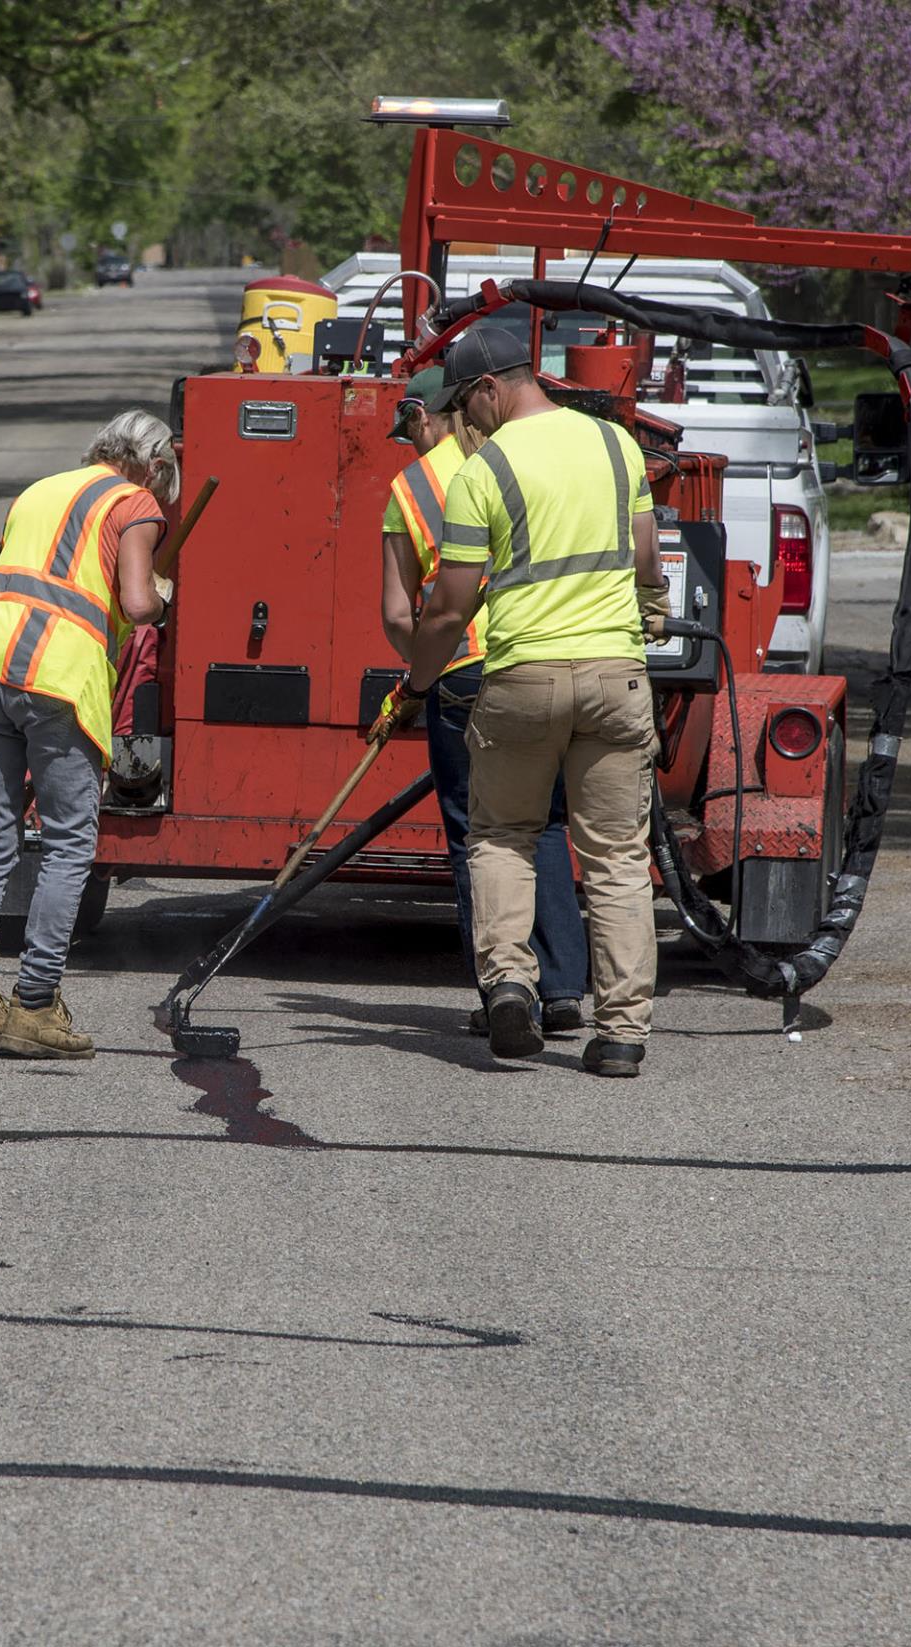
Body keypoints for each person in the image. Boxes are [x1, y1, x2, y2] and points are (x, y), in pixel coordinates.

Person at [386, 319, 667, 1078]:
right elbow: (645, 554)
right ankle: (621, 1034)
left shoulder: (483, 473)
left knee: (503, 835)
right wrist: (650, 602)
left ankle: (510, 981)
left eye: (463, 405)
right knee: (613, 856)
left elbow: (447, 609)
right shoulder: (618, 446)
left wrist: (417, 684)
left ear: (490, 388)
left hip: (522, 681)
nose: (460, 421)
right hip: (617, 677)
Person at [0, 410, 175, 1060]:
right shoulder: (134, 501)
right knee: (70, 844)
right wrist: (162, 595)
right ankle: (35, 1006)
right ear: (153, 465)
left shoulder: (39, 490)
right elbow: (134, 604)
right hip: (57, 679)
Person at [377, 364, 589, 1038]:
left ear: (425, 415)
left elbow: (396, 614)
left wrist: (416, 682)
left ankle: (505, 990)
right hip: (539, 655)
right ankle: (561, 990)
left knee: (480, 831)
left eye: (408, 429)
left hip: (462, 672)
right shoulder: (518, 456)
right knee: (547, 822)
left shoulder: (410, 487)